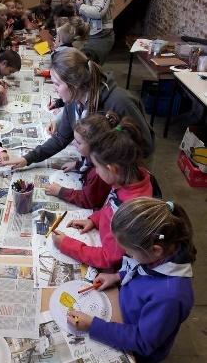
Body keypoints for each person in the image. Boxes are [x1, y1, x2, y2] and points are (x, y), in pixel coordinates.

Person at [67, 197, 196, 363]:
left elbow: (143, 342)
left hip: (138, 351)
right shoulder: (160, 252)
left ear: (155, 250)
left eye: (130, 253)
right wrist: (117, 276)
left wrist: (93, 326)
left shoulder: (170, 297)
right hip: (123, 315)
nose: (129, 257)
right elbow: (141, 268)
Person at [2, 47, 154, 169]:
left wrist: (93, 161)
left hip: (124, 174)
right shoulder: (73, 99)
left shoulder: (120, 102)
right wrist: (28, 159)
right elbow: (61, 138)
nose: (54, 89)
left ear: (73, 84)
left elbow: (146, 147)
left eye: (56, 84)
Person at [51, 114, 153, 270]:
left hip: (109, 262)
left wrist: (67, 245)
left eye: (97, 167)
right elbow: (110, 205)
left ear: (112, 169)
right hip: (102, 236)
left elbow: (110, 258)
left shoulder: (129, 212)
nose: (96, 173)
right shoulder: (127, 179)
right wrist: (94, 220)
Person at [45, 114, 114, 209]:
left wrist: (61, 191)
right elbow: (88, 164)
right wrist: (78, 165)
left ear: (94, 146)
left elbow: (88, 200)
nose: (73, 143)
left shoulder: (98, 173)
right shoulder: (93, 156)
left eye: (78, 142)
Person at [76, 0, 114, 65]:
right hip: (94, 32)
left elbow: (98, 12)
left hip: (102, 34)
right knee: (87, 66)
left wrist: (81, 6)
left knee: (90, 66)